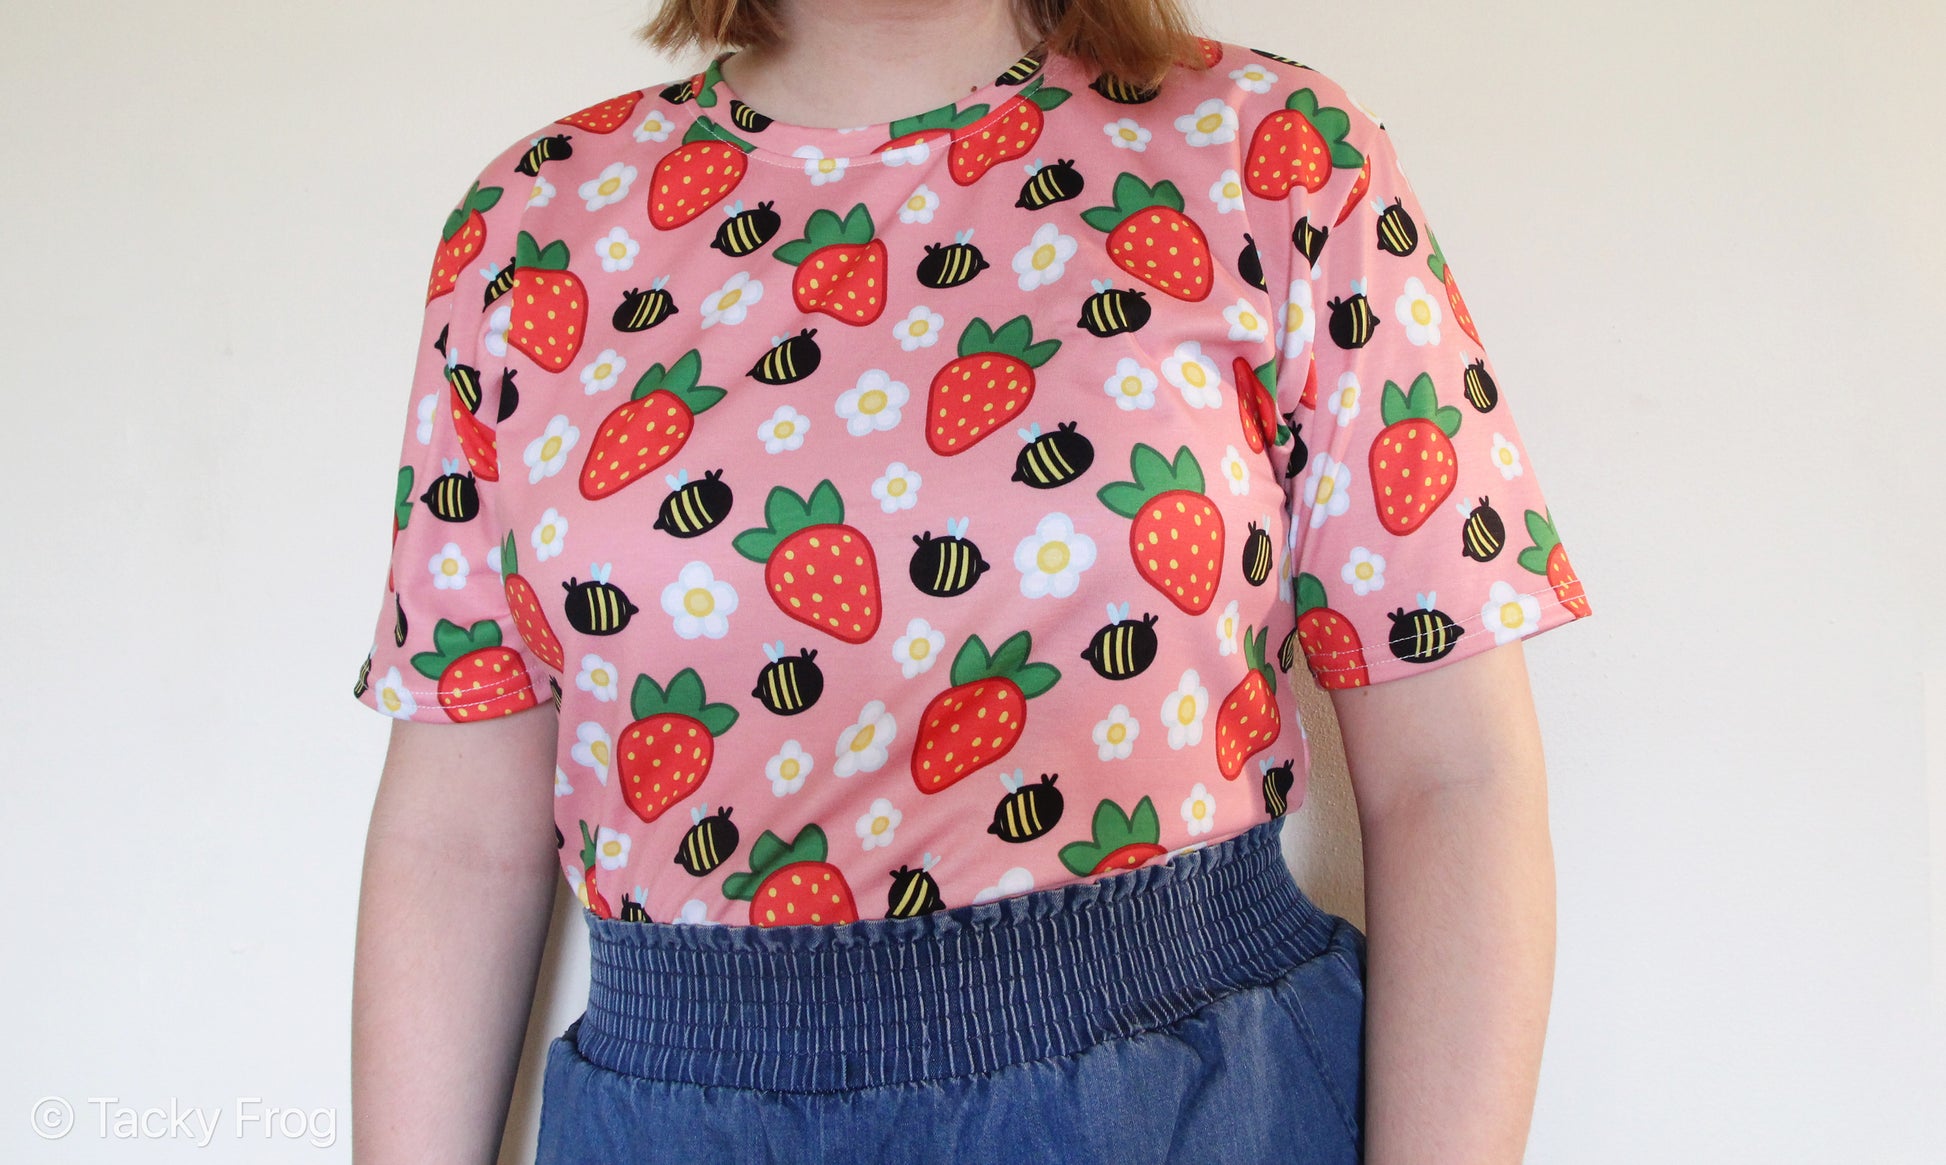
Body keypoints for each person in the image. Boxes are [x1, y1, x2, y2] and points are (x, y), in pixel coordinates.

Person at [347, 1, 1594, 1161]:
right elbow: (460, 832)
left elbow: (1455, 776)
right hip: (674, 1112)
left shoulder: (1276, 155)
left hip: (1181, 1103)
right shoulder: (531, 225)